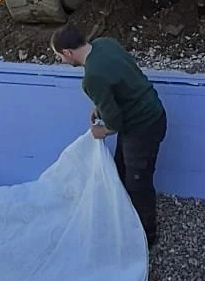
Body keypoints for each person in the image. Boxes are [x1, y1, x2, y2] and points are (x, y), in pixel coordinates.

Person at [52, 22, 167, 247]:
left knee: (138, 183)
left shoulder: (91, 78)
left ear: (68, 52)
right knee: (121, 169)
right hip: (150, 109)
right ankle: (124, 219)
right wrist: (101, 105)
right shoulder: (105, 44)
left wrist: (100, 131)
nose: (62, 61)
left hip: (143, 126)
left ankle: (146, 237)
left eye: (60, 57)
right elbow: (121, 79)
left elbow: (114, 123)